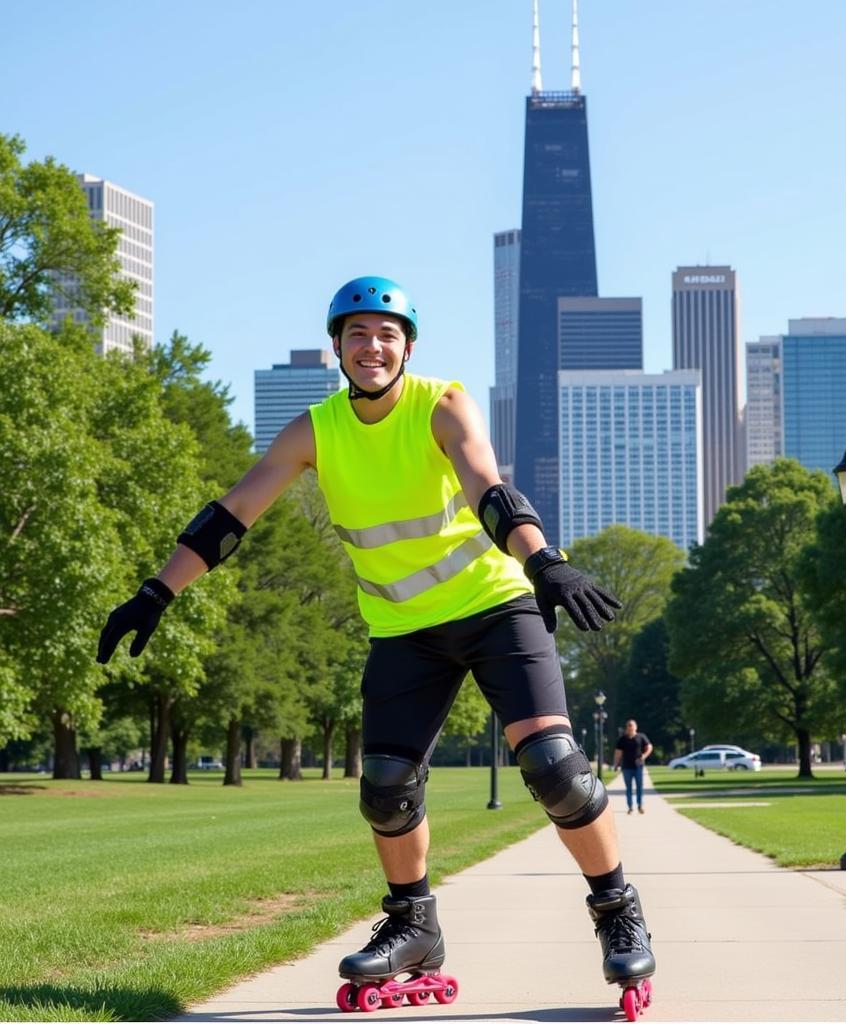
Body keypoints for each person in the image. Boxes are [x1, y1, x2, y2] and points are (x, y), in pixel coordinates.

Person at [96, 276, 655, 1006]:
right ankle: (413, 924)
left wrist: (543, 561)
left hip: (494, 608)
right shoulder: (315, 430)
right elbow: (231, 514)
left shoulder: (441, 403)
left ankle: (618, 913)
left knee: (554, 767)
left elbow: (490, 488)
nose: (372, 345)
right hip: (402, 629)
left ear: (407, 346)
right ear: (338, 348)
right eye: (357, 334)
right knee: (386, 788)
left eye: (387, 333)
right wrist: (155, 591)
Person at [613, 720, 653, 815]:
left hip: (638, 766)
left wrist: (644, 756)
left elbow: (649, 747)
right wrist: (616, 764)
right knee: (628, 788)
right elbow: (618, 753)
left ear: (636, 727)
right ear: (626, 727)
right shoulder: (622, 739)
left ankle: (640, 806)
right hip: (626, 767)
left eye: (632, 726)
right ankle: (630, 807)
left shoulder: (641, 737)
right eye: (628, 726)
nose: (630, 727)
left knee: (639, 787)